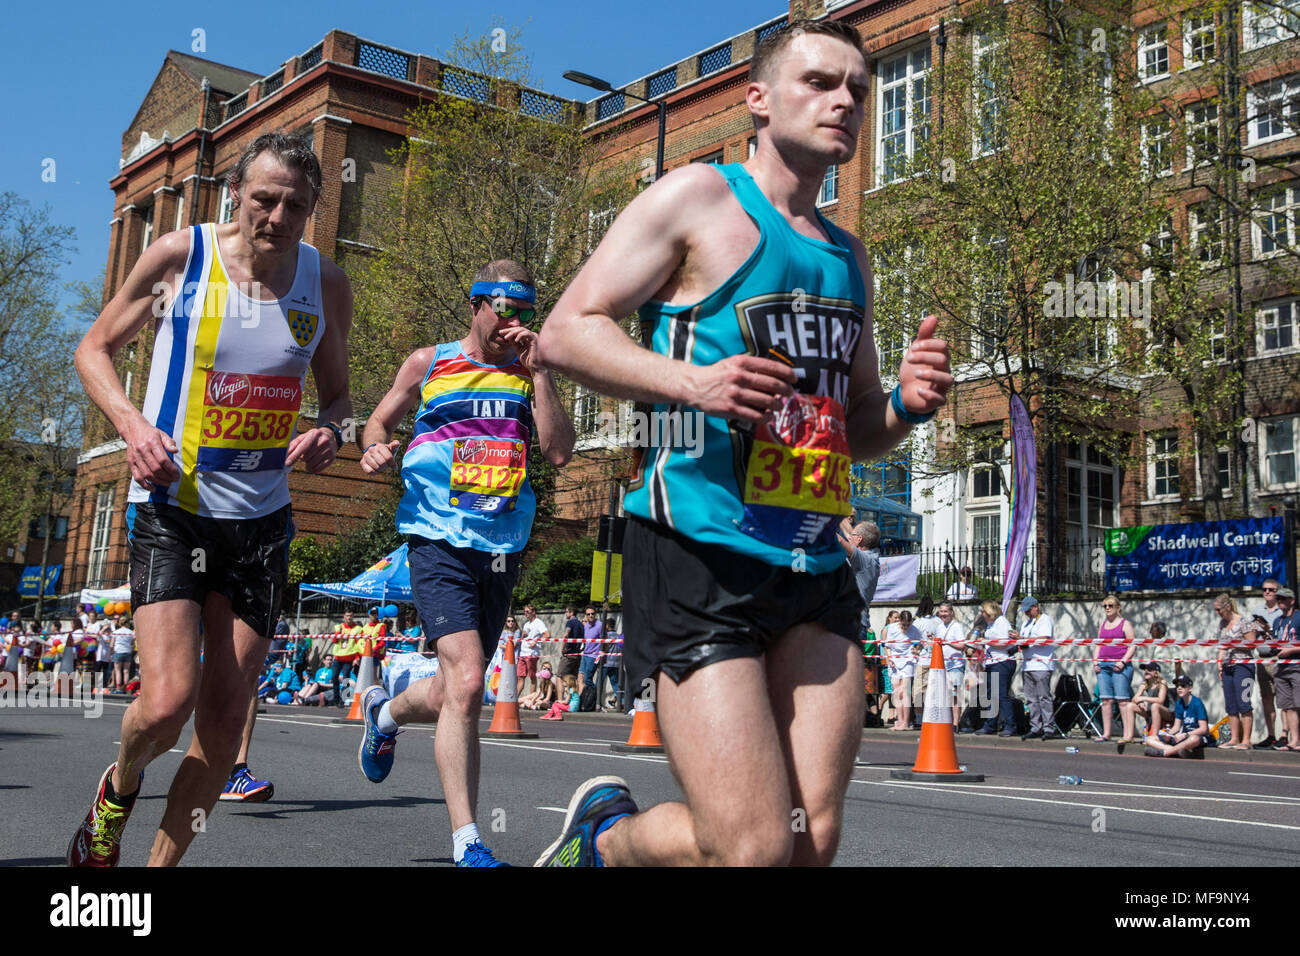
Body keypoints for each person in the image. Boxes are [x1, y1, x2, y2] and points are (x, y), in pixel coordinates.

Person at [532, 17, 953, 867]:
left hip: (813, 562)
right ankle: (605, 843)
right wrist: (692, 383)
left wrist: (905, 407)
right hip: (698, 548)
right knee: (754, 849)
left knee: (813, 840)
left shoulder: (849, 256)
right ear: (757, 99)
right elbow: (566, 331)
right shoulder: (698, 198)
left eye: (858, 91)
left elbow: (856, 424)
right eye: (820, 82)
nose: (844, 101)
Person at [67, 131, 353, 867]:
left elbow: (340, 398)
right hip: (172, 506)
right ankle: (120, 786)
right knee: (166, 706)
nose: (277, 217)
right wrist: (132, 428)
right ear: (235, 194)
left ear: (314, 206)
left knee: (224, 720)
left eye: (295, 204)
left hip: (260, 520)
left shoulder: (324, 283)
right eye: (263, 199)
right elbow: (93, 348)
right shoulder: (180, 257)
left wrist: (330, 433)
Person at [353, 257, 575, 866]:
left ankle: (385, 711)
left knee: (458, 687)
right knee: (472, 679)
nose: (515, 321)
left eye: (527, 310)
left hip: (501, 546)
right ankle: (468, 842)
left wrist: (543, 374)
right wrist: (374, 448)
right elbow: (376, 421)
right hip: (436, 538)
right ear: (477, 304)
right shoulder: (430, 362)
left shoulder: (528, 375)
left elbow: (558, 453)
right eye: (505, 307)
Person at [1213, 593, 1260, 750]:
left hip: (1243, 666)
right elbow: (1222, 646)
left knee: (1243, 703)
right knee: (1231, 705)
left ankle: (1246, 740)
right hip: (1227, 667)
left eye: (1219, 609)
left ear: (1228, 607)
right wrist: (1219, 663)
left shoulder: (1244, 622)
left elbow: (1251, 644)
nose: (1217, 612)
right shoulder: (1222, 624)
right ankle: (1234, 738)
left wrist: (1233, 644)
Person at [1010, 596, 1056, 740]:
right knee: (1031, 699)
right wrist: (1018, 640)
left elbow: (1043, 639)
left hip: (1042, 664)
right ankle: (1036, 727)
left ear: (1036, 607)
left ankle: (1049, 727)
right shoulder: (1026, 623)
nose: (1027, 614)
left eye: (1029, 610)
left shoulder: (1044, 620)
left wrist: (1023, 640)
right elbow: (1024, 643)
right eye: (1025, 611)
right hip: (1027, 665)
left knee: (1044, 697)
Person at [1093, 594, 1137, 743]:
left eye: (1110, 605)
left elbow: (1133, 645)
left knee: (1122, 701)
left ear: (1118, 608)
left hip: (1120, 666)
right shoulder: (1103, 624)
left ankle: (1127, 735)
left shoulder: (1125, 624)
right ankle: (1106, 733)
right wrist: (1095, 662)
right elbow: (1098, 644)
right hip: (1103, 666)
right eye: (1105, 606)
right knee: (1106, 701)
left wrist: (1123, 662)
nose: (1107, 608)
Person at [969, 601, 1018, 736]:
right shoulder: (990, 624)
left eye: (983, 612)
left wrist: (987, 642)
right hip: (991, 662)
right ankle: (990, 724)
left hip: (1002, 662)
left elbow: (1003, 643)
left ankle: (1010, 725)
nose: (982, 614)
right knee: (990, 695)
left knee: (1001, 694)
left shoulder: (1002, 622)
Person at [1143, 675, 1208, 758]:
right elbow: (1176, 727)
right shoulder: (1179, 703)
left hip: (1194, 736)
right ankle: (1177, 751)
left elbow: (1203, 729)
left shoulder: (1197, 703)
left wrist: (1185, 735)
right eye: (1177, 686)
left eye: (1183, 686)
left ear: (1190, 688)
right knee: (1150, 739)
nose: (1179, 688)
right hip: (1182, 737)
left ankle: (1166, 753)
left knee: (1193, 739)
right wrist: (1168, 734)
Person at [1252, 578, 1283, 748]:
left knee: (1285, 701)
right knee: (1267, 699)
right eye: (1264, 590)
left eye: (1271, 590)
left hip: (1278, 658)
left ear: (1277, 591)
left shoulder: (1282, 610)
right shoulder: (1257, 610)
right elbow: (1249, 634)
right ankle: (1271, 735)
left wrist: (1268, 629)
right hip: (1262, 660)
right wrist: (1254, 630)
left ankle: (1286, 736)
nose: (1267, 592)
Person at [1268, 587, 1300, 751]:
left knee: (1299, 703)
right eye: (1278, 599)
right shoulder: (1277, 621)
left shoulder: (1299, 617)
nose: (1279, 601)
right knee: (1287, 705)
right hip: (1281, 667)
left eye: (1283, 599)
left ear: (1292, 601)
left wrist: (1291, 650)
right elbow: (1276, 642)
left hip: (1296, 665)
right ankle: (1294, 740)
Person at [884, 610, 920, 731]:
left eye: (908, 625)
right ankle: (899, 720)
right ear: (900, 621)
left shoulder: (914, 630)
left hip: (908, 661)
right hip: (894, 660)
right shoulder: (892, 628)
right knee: (896, 691)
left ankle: (905, 722)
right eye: (903, 625)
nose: (905, 627)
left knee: (904, 691)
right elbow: (887, 646)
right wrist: (889, 658)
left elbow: (918, 645)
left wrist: (916, 650)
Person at [934, 602, 967, 727]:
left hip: (956, 664)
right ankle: (945, 720)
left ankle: (955, 723)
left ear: (951, 612)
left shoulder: (957, 626)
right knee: (943, 694)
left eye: (945, 611)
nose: (943, 614)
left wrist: (947, 642)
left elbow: (961, 646)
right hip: (944, 664)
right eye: (941, 611)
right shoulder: (939, 627)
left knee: (955, 695)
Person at [1131, 662, 1172, 736]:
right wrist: (1139, 702)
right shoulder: (1145, 684)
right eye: (1145, 669)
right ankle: (1129, 736)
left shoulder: (1162, 683)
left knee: (1155, 706)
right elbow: (1134, 699)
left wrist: (1144, 698)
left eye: (1149, 669)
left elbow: (1160, 700)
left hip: (1166, 712)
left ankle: (1154, 736)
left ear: (1156, 673)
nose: (1146, 671)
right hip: (1151, 711)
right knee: (1130, 706)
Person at [519, 605, 547, 696]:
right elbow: (525, 635)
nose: (525, 613)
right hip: (522, 653)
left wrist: (535, 642)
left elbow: (547, 635)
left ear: (534, 612)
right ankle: (513, 700)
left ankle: (531, 698)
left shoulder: (539, 623)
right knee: (520, 677)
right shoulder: (526, 624)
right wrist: (523, 635)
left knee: (532, 677)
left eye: (527, 611)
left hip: (531, 654)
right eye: (524, 611)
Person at [579, 606, 603, 700]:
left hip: (593, 655)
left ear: (595, 614)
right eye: (588, 614)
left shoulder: (600, 625)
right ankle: (583, 699)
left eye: (592, 613)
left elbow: (605, 640)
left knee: (587, 679)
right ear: (586, 615)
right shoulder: (586, 626)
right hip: (585, 654)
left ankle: (594, 698)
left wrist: (602, 654)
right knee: (580, 678)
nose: (591, 615)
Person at [558, 606, 583, 694]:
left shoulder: (570, 622)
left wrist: (563, 649)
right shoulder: (581, 624)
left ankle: (560, 701)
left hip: (569, 654)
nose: (565, 613)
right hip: (577, 655)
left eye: (566, 612)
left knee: (559, 677)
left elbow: (566, 635)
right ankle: (574, 700)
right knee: (573, 679)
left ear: (571, 613)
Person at [601, 616, 623, 711]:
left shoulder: (606, 636)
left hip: (606, 663)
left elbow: (603, 648)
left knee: (599, 684)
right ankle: (622, 702)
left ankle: (596, 702)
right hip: (616, 663)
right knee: (616, 685)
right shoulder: (618, 636)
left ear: (607, 626)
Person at [110, 616, 135, 695]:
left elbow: (111, 645)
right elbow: (133, 644)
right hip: (127, 652)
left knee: (118, 671)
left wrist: (111, 652)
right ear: (127, 623)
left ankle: (118, 688)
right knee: (126, 671)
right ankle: (126, 688)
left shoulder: (116, 632)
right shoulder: (131, 632)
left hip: (118, 651)